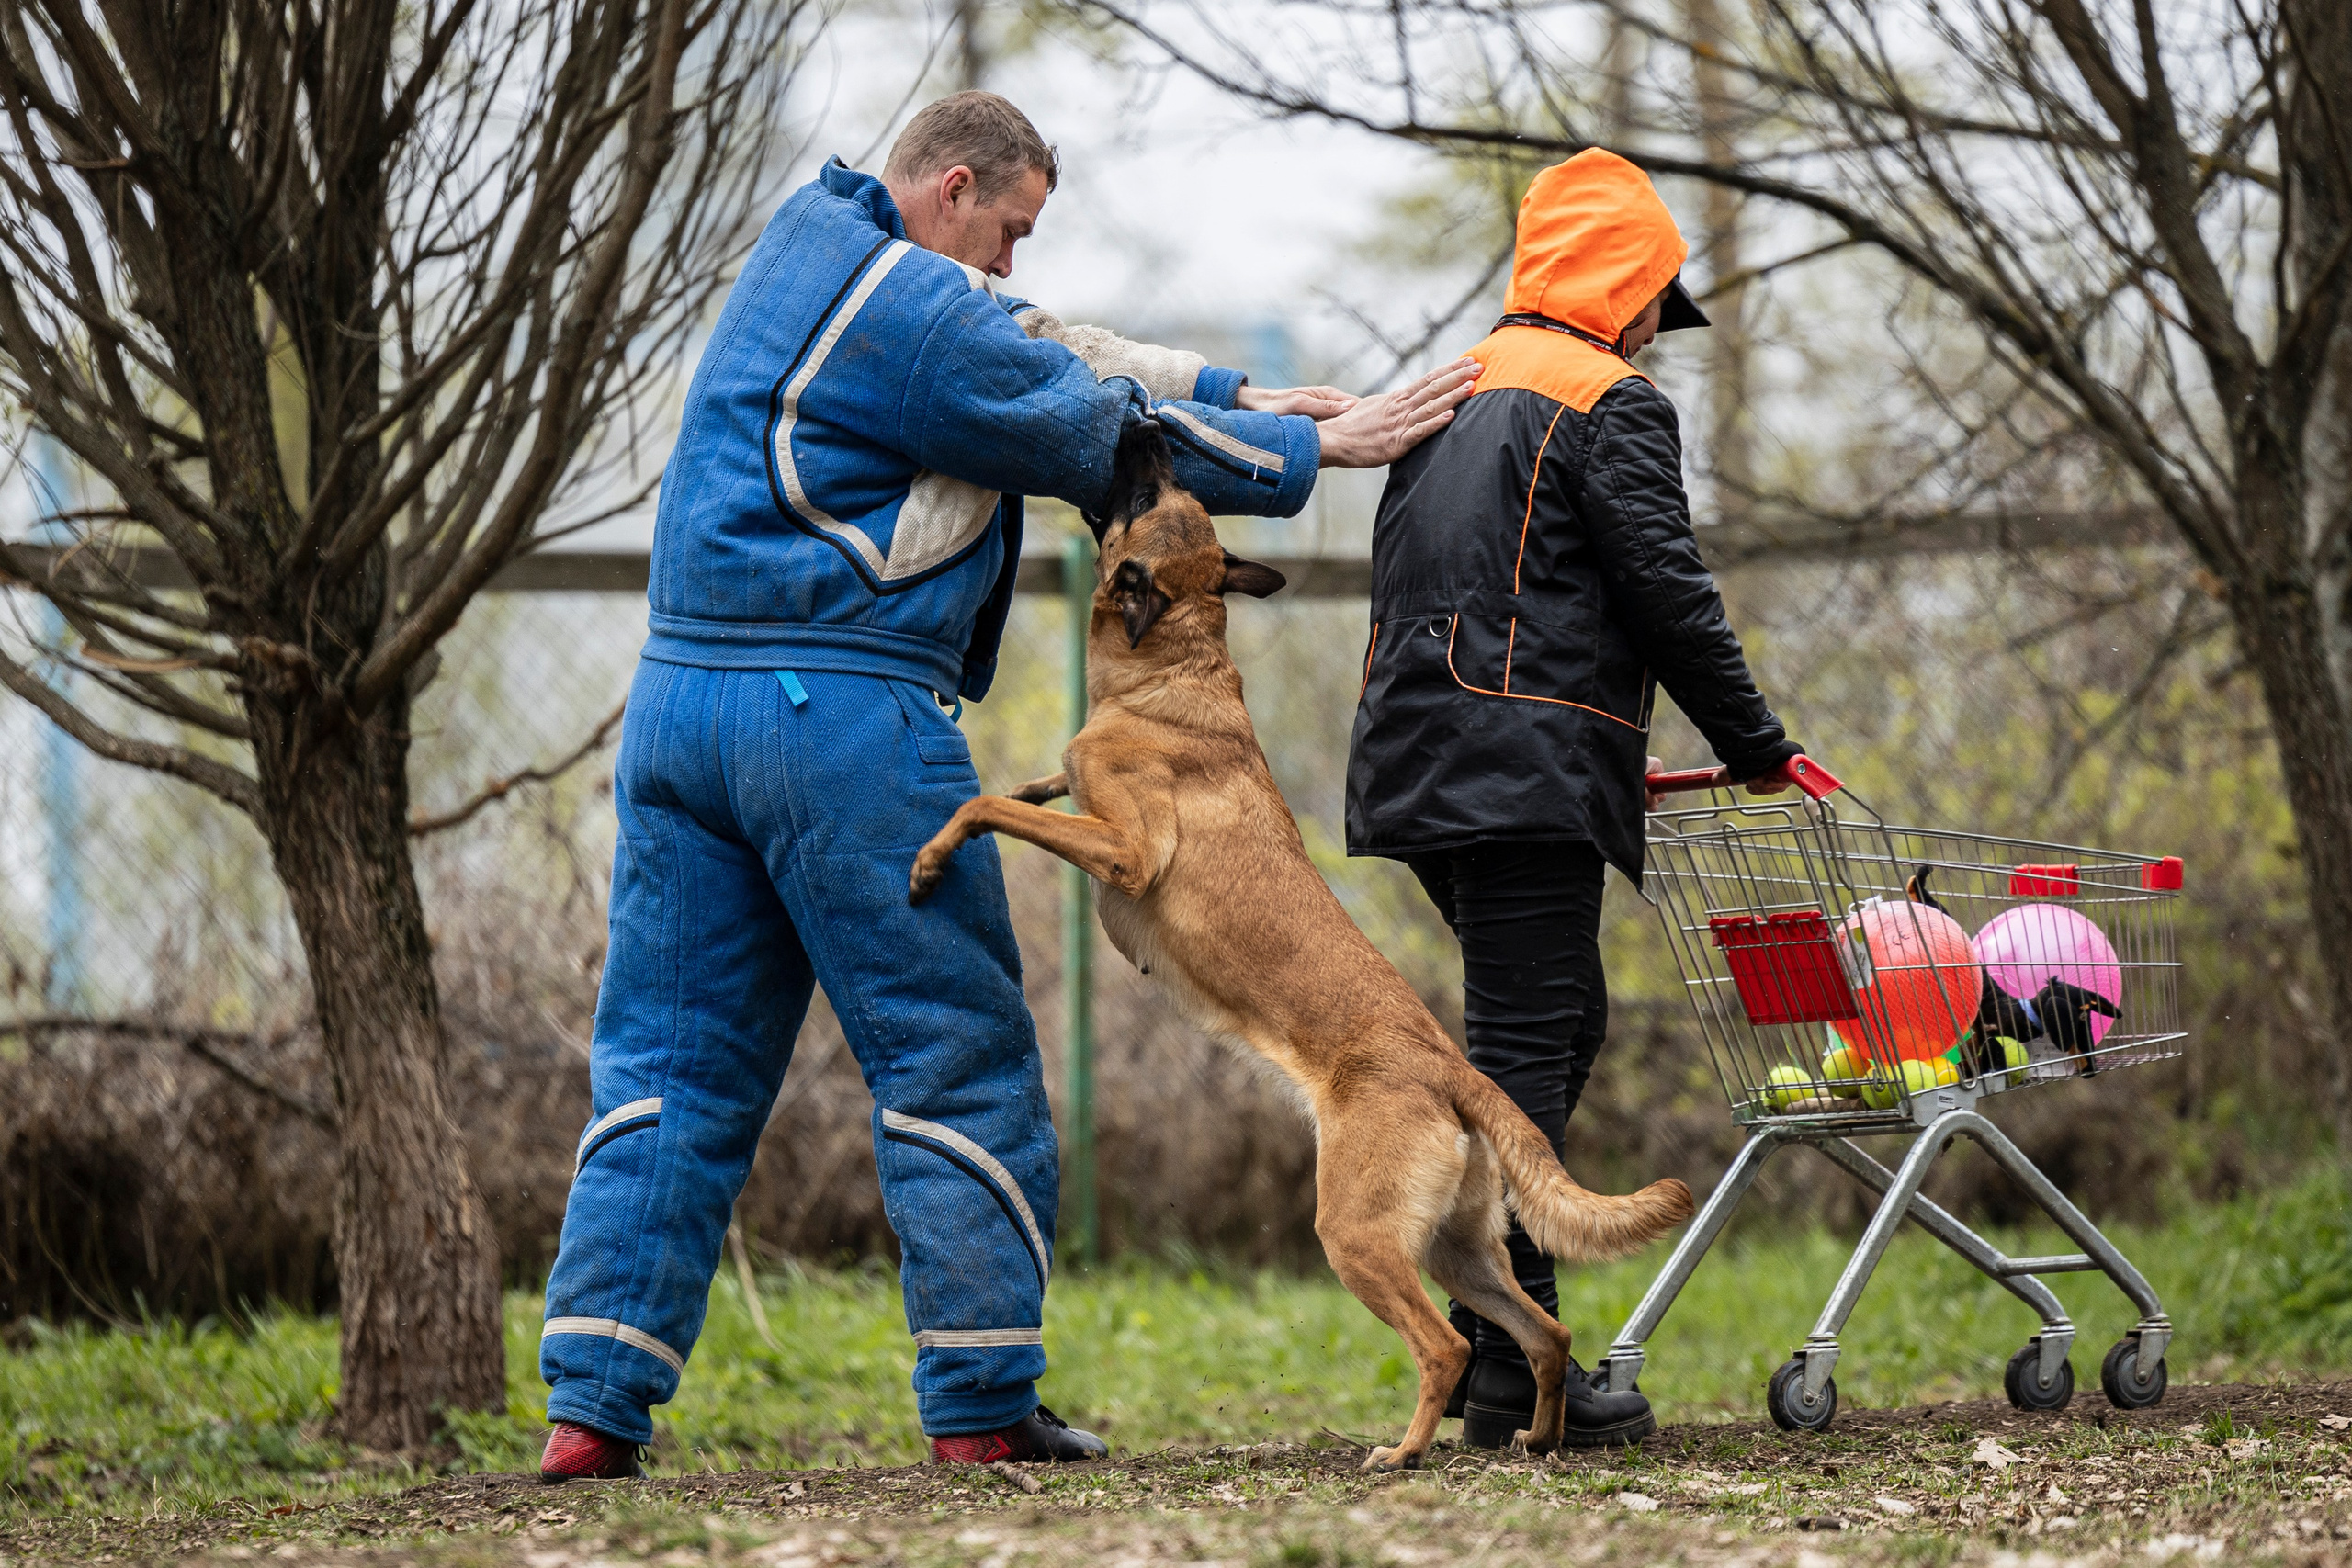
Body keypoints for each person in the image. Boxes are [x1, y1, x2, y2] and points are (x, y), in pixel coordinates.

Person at [536, 91, 1476, 1481]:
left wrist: (1240, 393)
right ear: (956, 184)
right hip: (834, 718)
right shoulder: (911, 311)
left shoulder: (822, 255)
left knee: (672, 1066)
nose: (1014, 262)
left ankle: (590, 1409)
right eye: (1012, 229)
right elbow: (1084, 425)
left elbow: (1048, 348)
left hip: (679, 714)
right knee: (952, 1045)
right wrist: (1308, 451)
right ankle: (981, 1401)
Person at [1344, 148, 1808, 1450]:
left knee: (1541, 1028)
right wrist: (1758, 742)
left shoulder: (1460, 389)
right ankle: (1508, 1361)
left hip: (1421, 757)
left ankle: (1503, 1350)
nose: (1661, 321)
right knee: (1526, 1047)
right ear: (1627, 283)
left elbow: (1497, 587)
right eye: (1660, 294)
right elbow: (1668, 592)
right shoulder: (1609, 399)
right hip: (1518, 773)